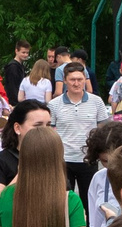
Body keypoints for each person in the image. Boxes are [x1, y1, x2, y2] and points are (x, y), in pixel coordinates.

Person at [47, 64, 113, 196]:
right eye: (72, 80)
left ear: (85, 80)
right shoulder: (54, 104)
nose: (76, 83)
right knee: (63, 199)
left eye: (80, 79)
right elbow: (48, 131)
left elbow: (103, 130)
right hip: (63, 159)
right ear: (65, 80)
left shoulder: (96, 101)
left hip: (88, 159)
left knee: (90, 199)